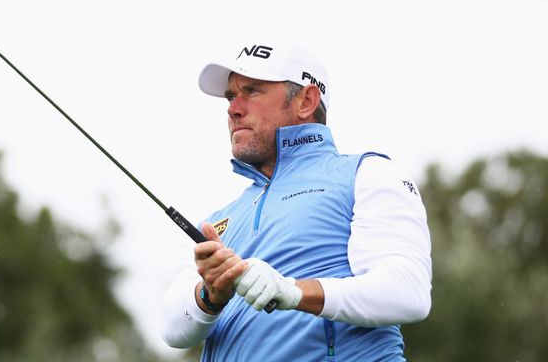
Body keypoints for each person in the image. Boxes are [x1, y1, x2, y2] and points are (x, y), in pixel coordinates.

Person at [159, 42, 432, 361]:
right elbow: (172, 329)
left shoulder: (366, 174)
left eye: (252, 91)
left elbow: (407, 292)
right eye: (232, 96)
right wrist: (210, 296)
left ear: (306, 100)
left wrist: (293, 291)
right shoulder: (219, 222)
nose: (233, 108)